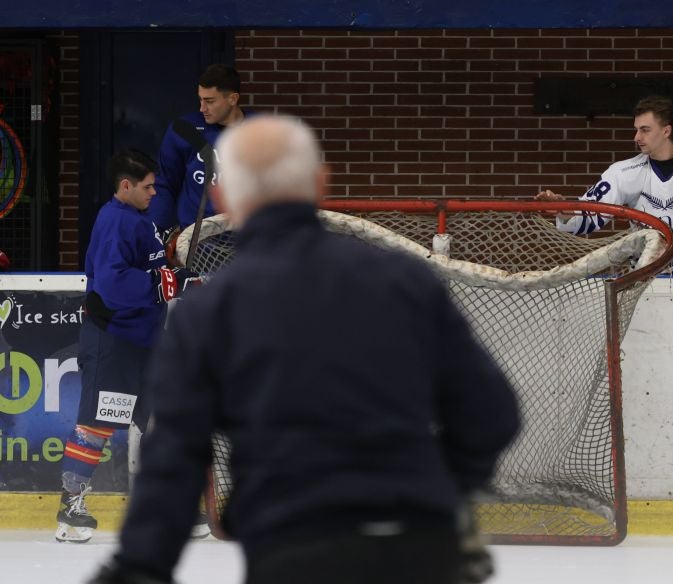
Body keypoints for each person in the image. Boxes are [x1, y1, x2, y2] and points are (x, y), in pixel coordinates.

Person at [87, 115, 521, 584]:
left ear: (223, 198)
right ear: (320, 182)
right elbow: (492, 413)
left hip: (294, 547)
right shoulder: (404, 281)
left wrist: (138, 567)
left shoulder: (211, 310)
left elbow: (174, 459)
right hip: (424, 547)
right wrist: (441, 490)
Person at [56, 150, 199, 543]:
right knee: (97, 424)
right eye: (148, 186)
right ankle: (70, 508)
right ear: (126, 186)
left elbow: (148, 268)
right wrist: (160, 285)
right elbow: (111, 283)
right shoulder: (115, 221)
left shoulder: (139, 218)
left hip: (146, 340)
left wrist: (174, 276)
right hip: (114, 342)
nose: (155, 192)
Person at [536, 95, 673, 275]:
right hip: (645, 277)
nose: (637, 137)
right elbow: (591, 213)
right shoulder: (623, 172)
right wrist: (564, 211)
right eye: (636, 129)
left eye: (645, 130)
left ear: (666, 131)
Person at [148, 64, 253, 236]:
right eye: (201, 99)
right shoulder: (184, 129)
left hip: (247, 238)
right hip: (196, 242)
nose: (202, 108)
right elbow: (164, 185)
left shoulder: (261, 131)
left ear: (233, 99)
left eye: (210, 101)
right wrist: (157, 233)